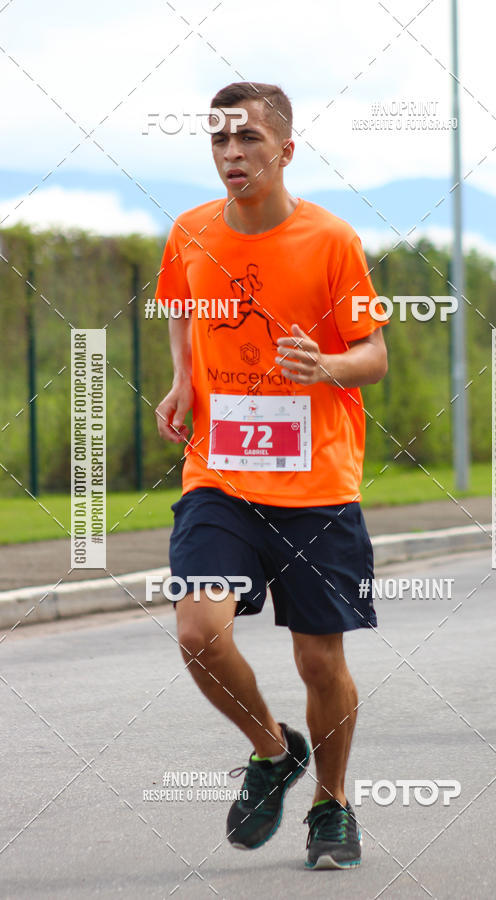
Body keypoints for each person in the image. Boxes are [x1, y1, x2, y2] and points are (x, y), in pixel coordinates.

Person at [153, 81, 388, 869]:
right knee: (197, 630)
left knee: (320, 661)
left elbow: (374, 357)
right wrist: (185, 378)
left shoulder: (330, 240)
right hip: (219, 473)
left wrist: (326, 365)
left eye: (247, 140)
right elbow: (181, 304)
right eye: (219, 141)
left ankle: (333, 802)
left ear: (286, 150)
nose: (231, 155)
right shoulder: (189, 230)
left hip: (317, 485)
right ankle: (270, 749)